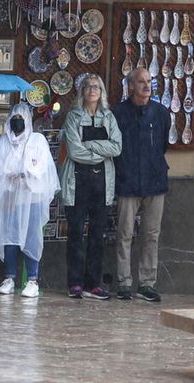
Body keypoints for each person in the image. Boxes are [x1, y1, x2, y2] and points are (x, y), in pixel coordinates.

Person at [59, 75, 122, 300]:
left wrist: (90, 145)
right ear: (82, 91)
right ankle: (74, 283)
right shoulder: (73, 117)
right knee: (76, 233)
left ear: (101, 91)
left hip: (102, 184)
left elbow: (116, 147)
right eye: (88, 87)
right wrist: (99, 152)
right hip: (77, 182)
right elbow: (75, 151)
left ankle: (93, 284)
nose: (92, 90)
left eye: (96, 87)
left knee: (98, 235)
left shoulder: (109, 117)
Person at [0, 103, 59, 298]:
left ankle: (33, 280)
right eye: (15, 117)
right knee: (9, 237)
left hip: (31, 197)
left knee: (31, 237)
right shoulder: (3, 142)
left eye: (22, 117)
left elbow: (42, 166)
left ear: (28, 120)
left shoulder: (37, 140)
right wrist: (12, 178)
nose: (18, 121)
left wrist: (25, 174)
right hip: (11, 197)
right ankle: (9, 277)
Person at [112, 68, 170, 302]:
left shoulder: (161, 112)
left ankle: (147, 283)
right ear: (131, 86)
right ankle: (124, 283)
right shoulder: (118, 113)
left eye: (149, 81)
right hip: (127, 180)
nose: (147, 86)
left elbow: (163, 145)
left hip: (155, 181)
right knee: (124, 233)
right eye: (141, 82)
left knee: (151, 235)